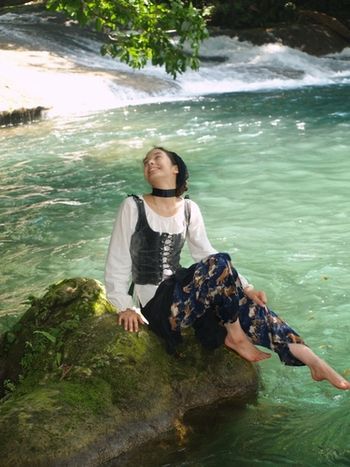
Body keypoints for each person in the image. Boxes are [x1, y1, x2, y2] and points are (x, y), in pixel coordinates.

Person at [105, 146, 350, 391]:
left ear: (175, 168)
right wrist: (124, 306)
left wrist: (246, 287)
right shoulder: (133, 205)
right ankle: (236, 336)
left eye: (156, 158)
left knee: (252, 307)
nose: (149, 163)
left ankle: (313, 360)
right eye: (146, 161)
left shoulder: (189, 208)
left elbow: (205, 251)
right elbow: (118, 259)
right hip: (158, 305)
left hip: (185, 291)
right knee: (220, 264)